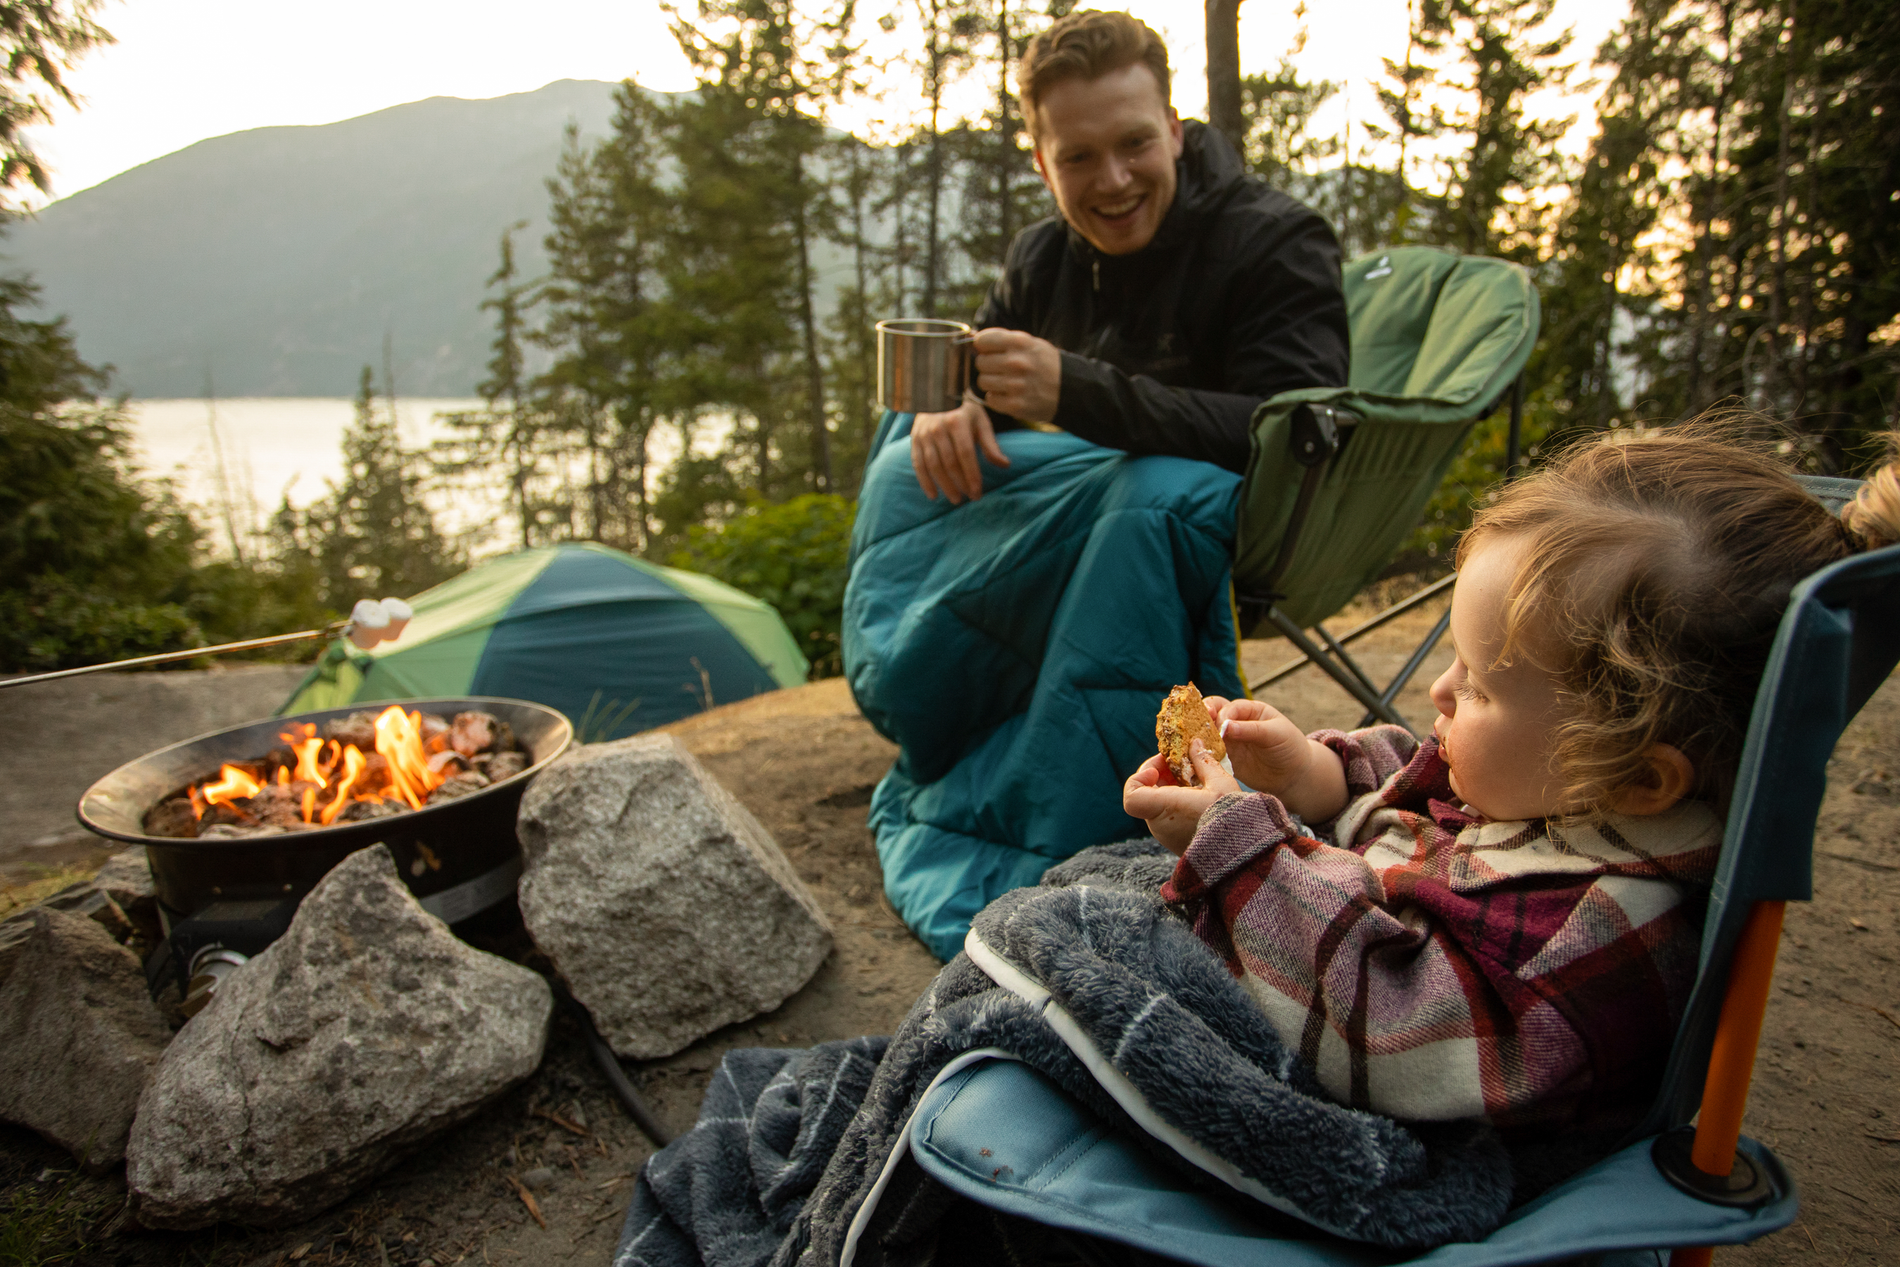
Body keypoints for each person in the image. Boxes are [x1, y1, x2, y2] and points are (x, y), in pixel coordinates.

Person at [1123, 422, 1900, 1137]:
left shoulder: (1584, 932)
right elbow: (1430, 787)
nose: (1439, 690)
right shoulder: (1562, 788)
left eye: (1482, 686)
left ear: (1636, 776)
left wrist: (1240, 844)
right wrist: (1314, 775)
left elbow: (1389, 1033)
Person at [906, 9, 1349, 504]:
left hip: (1213, 531)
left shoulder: (1275, 242)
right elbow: (977, 382)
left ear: (1174, 132)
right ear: (1045, 169)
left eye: (1135, 143)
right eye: (1079, 157)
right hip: (1075, 510)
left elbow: (1300, 429)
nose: (1114, 180)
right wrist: (958, 405)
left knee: (1146, 492)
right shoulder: (1040, 259)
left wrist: (1074, 393)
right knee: (913, 431)